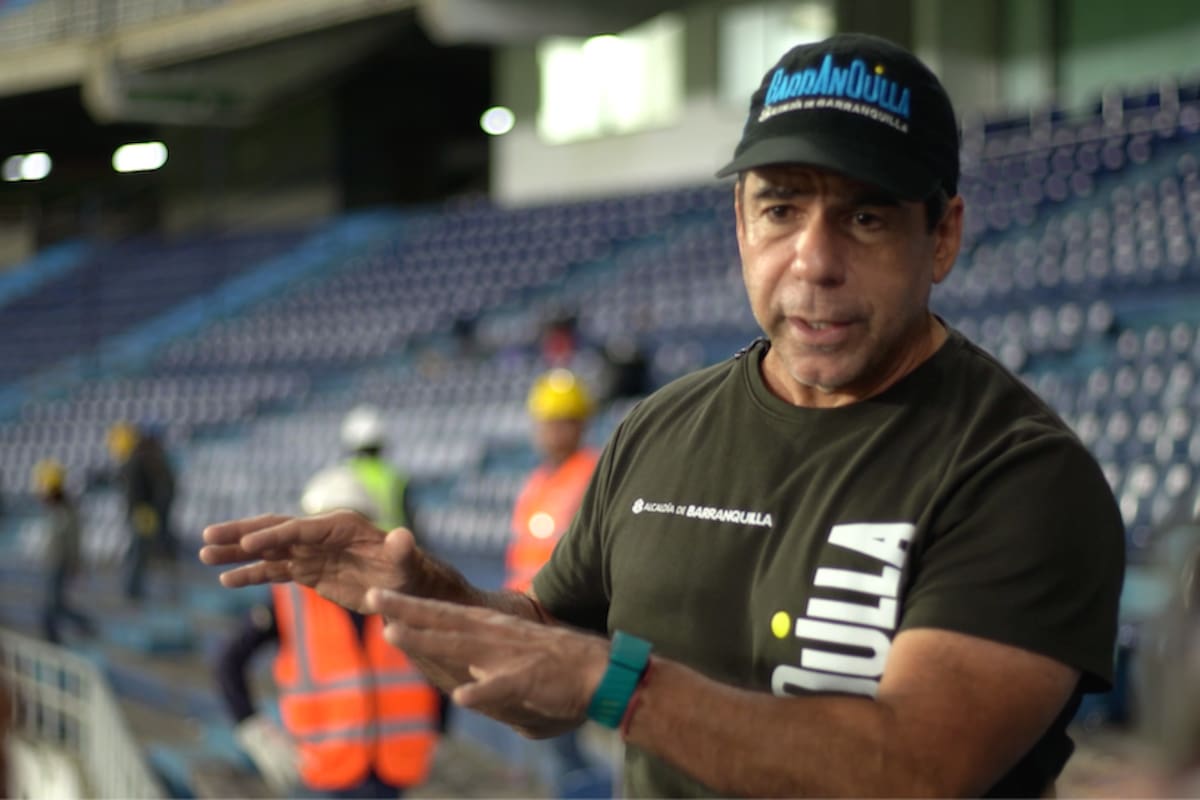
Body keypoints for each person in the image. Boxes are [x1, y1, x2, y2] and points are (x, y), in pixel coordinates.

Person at [200, 33, 1126, 798]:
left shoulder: (1019, 475)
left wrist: (620, 688)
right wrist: (434, 600)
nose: (814, 260)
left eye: (867, 218)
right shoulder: (662, 428)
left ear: (944, 236)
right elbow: (551, 665)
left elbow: (915, 771)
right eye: (781, 209)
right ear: (741, 223)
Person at [214, 463, 442, 798]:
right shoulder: (290, 597)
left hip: (391, 767)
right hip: (324, 771)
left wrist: (439, 730)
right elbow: (229, 661)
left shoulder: (403, 591)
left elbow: (439, 661)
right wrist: (252, 729)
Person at [506, 369, 603, 790]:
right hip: (532, 625)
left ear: (580, 424)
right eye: (546, 422)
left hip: (571, 628)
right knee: (553, 749)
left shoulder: (593, 473)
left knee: (569, 751)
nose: (551, 431)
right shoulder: (536, 482)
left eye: (561, 421)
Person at [106, 421, 179, 602]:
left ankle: (135, 590)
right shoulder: (144, 460)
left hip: (144, 514)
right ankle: (134, 590)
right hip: (145, 514)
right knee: (140, 553)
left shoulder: (139, 461)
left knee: (141, 553)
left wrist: (143, 511)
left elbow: (139, 491)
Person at [31, 459, 95, 644]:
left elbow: (73, 542)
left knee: (51, 606)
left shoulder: (66, 511)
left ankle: (58, 637)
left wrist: (76, 565)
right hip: (52, 563)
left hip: (60, 564)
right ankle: (78, 627)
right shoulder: (54, 509)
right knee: (55, 605)